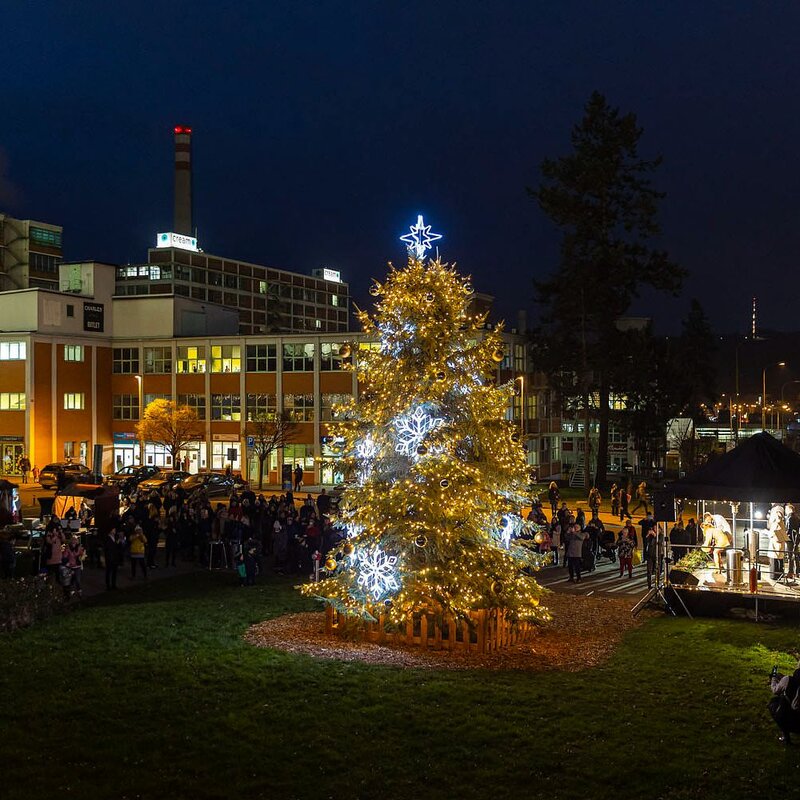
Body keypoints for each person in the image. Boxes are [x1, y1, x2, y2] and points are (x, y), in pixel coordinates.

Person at [768, 663, 800, 745]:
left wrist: (774, 678)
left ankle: (786, 737)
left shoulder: (788, 680)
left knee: (774, 702)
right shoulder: (787, 679)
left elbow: (775, 690)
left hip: (791, 721)